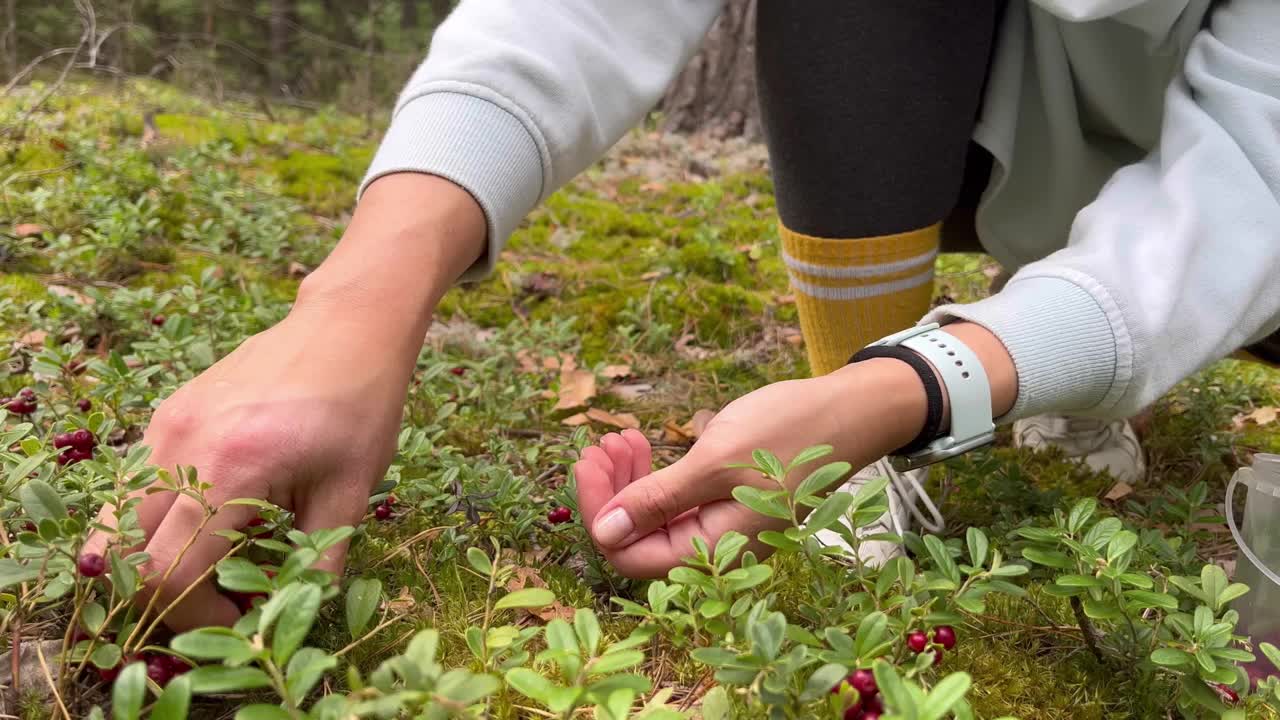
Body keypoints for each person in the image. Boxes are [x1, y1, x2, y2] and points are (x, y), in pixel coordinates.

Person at [83, 0, 1280, 627]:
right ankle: (876, 444)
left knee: (1208, 263)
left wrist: (902, 393)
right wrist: (357, 298)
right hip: (996, 122)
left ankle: (999, 376)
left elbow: (1251, 170)